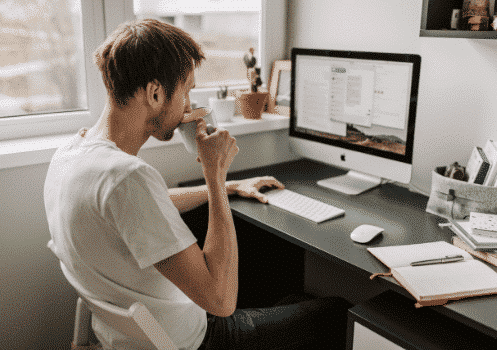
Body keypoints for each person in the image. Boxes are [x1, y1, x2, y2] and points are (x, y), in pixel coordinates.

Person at [44, 19, 349, 350]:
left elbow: (139, 208)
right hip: (198, 340)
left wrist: (227, 188)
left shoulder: (71, 154)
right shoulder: (128, 177)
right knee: (337, 311)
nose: (188, 107)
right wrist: (215, 177)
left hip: (128, 338)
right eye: (186, 90)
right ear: (155, 93)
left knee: (288, 295)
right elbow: (220, 301)